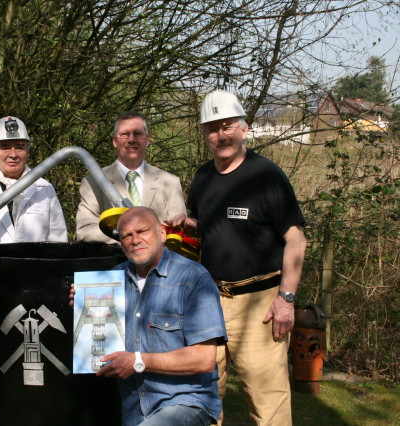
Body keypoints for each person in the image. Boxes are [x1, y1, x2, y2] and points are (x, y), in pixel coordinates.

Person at [169, 90, 307, 425]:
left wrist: (286, 299)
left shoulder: (266, 176)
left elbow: (296, 239)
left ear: (244, 129)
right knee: (203, 390)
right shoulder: (202, 178)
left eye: (227, 125)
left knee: (266, 397)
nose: (221, 135)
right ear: (204, 135)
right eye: (212, 128)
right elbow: (212, 229)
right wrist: (190, 226)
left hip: (259, 303)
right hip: (209, 299)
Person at [71, 207, 227, 426]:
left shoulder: (193, 277)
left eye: (142, 231)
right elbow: (99, 345)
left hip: (186, 401)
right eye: (126, 235)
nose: (135, 240)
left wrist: (137, 361)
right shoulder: (111, 281)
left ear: (162, 234)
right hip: (134, 410)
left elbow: (204, 359)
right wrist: (83, 306)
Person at [76, 111, 186, 243]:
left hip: (159, 262)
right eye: (124, 134)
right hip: (113, 262)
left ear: (147, 140)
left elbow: (178, 233)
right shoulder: (92, 182)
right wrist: (126, 235)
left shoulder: (170, 182)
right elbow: (84, 231)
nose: (131, 140)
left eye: (138, 133)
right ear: (115, 141)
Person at [0, 116, 67, 243]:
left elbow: (58, 241)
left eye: (19, 147)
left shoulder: (45, 188)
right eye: (5, 147)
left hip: (33, 263)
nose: (13, 154)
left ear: (28, 152)